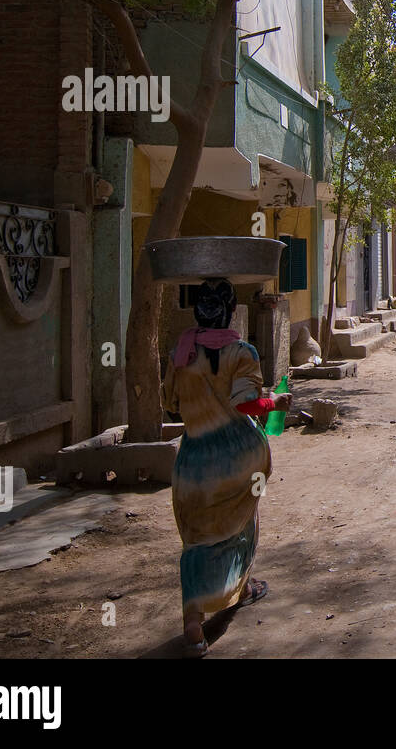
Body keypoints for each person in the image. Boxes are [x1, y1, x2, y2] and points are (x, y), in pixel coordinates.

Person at [162, 278, 291, 658]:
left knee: (196, 540)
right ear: (231, 310)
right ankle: (244, 587)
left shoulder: (180, 353)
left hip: (193, 466)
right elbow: (247, 405)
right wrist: (277, 401)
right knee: (242, 526)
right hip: (239, 461)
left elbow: (170, 404)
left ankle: (193, 624)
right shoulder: (241, 352)